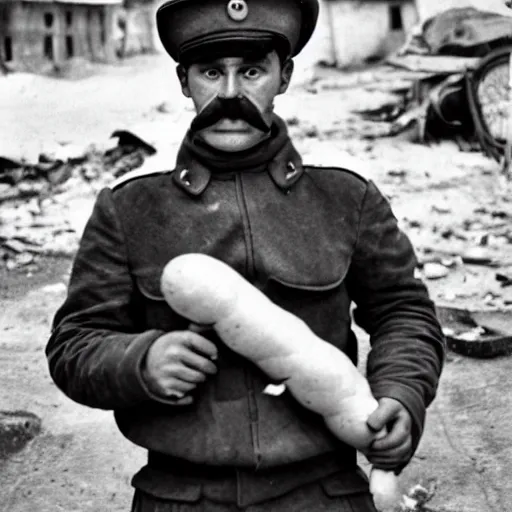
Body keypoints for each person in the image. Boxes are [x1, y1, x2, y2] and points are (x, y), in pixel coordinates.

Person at [45, 0, 445, 510]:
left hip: (324, 493)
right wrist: (139, 362)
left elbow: (404, 313)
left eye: (251, 70)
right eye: (211, 71)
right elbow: (73, 345)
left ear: (284, 76)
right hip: (181, 496)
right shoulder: (129, 211)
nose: (230, 94)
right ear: (184, 81)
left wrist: (401, 395)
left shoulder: (347, 199)